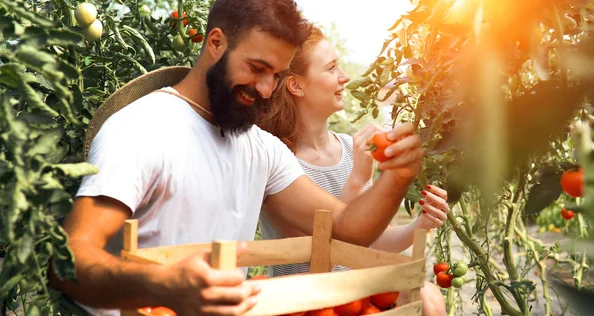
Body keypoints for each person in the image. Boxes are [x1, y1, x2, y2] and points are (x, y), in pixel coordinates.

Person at [48, 1, 427, 315]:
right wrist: (158, 285)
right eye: (257, 68)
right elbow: (68, 263)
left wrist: (397, 177)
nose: (265, 89)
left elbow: (348, 228)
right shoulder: (143, 128)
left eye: (276, 75)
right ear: (216, 42)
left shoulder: (259, 148)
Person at [257, 24, 448, 315]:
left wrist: (419, 225)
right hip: (306, 303)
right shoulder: (279, 161)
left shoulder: (350, 148)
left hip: (355, 301)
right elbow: (318, 254)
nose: (345, 77)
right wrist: (357, 181)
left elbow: (367, 240)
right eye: (331, 68)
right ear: (297, 85)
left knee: (429, 295)